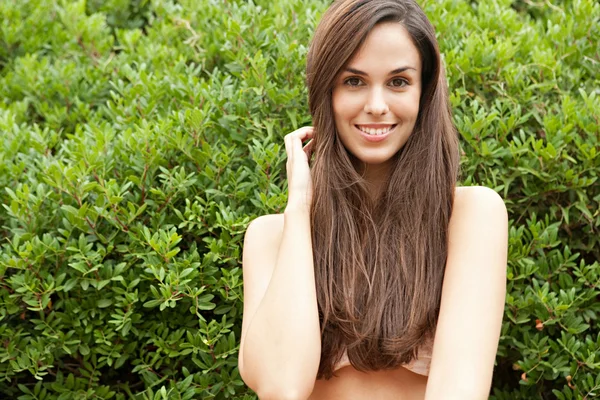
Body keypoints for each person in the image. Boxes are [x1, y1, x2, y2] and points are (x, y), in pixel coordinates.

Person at [238, 0, 508, 399]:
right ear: (325, 90)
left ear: (424, 91)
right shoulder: (270, 238)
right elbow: (281, 387)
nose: (377, 106)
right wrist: (298, 207)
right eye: (354, 81)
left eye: (398, 82)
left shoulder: (470, 217)